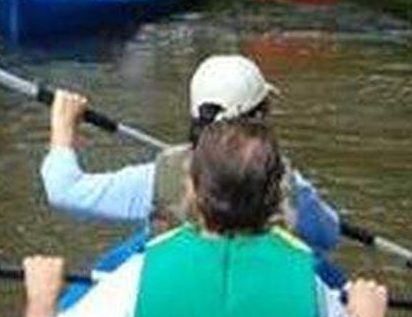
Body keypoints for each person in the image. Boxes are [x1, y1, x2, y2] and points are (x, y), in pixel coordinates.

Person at [21, 119, 396, 317]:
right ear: (275, 199)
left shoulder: (142, 272)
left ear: (194, 192)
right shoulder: (308, 286)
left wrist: (42, 297)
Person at [40, 54, 342, 261]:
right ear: (259, 117)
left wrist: (63, 127)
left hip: (178, 297)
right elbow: (329, 235)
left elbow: (64, 190)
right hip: (260, 300)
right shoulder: (287, 182)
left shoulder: (156, 177)